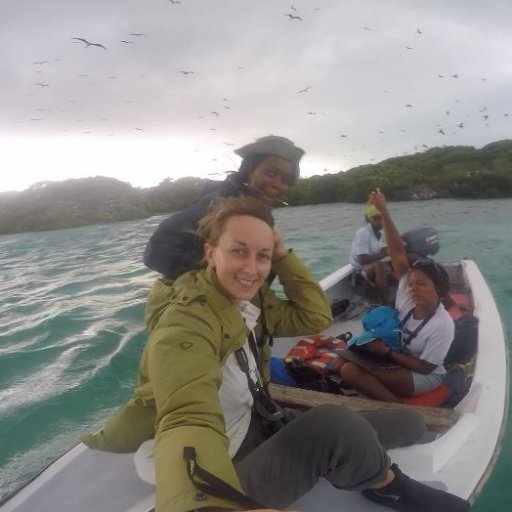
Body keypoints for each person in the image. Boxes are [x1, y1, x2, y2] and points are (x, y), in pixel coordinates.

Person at [84, 196, 468, 512]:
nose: (253, 269)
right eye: (239, 251)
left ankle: (364, 456)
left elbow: (314, 315)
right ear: (210, 253)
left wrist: (283, 255)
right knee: (334, 422)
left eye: (263, 255)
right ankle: (386, 484)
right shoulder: (185, 324)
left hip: (256, 423)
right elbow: (187, 417)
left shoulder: (244, 302)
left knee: (409, 424)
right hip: (222, 464)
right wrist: (204, 506)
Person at [340, 189, 455, 403]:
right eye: (411, 284)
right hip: (398, 356)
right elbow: (396, 253)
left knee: (350, 371)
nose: (412, 289)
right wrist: (384, 212)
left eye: (421, 284)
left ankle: (400, 408)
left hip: (425, 374)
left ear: (438, 289)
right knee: (341, 364)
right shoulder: (407, 295)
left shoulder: (443, 324)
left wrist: (385, 353)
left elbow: (426, 366)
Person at [143, 135, 305, 280]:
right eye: (270, 173)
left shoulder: (257, 209)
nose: (277, 185)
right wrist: (220, 278)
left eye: (285, 180)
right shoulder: (219, 203)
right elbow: (155, 250)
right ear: (249, 170)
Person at [349, 205, 389, 303]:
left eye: (383, 217)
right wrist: (385, 253)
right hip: (359, 271)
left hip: (370, 267)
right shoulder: (362, 233)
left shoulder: (379, 234)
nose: (383, 221)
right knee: (379, 265)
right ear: (372, 220)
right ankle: (384, 301)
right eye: (380, 218)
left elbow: (378, 251)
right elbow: (363, 259)